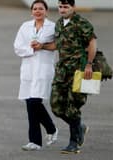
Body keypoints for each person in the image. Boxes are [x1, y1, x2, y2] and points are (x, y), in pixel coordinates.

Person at [41, 0, 96, 154]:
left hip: (78, 71)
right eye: (60, 7)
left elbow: (92, 43)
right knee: (56, 106)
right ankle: (80, 127)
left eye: (66, 7)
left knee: (73, 107)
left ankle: (74, 143)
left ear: (73, 7)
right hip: (62, 71)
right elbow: (57, 45)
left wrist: (89, 65)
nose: (62, 9)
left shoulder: (81, 23)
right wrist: (42, 46)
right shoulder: (59, 23)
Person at [13, 0, 58, 151]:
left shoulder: (53, 27)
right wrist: (32, 49)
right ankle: (35, 141)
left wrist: (42, 47)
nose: (38, 11)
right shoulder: (25, 26)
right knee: (30, 105)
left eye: (41, 9)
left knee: (34, 103)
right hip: (28, 69)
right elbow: (17, 48)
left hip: (43, 70)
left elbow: (58, 45)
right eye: (35, 9)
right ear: (31, 11)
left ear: (46, 11)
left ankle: (51, 129)